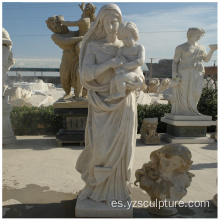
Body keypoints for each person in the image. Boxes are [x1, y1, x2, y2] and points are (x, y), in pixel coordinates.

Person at [76, 4, 144, 205]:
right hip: (100, 103)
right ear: (101, 23)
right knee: (99, 147)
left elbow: (139, 70)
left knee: (122, 150)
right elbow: (86, 74)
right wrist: (109, 64)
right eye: (108, 21)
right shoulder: (94, 46)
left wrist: (140, 81)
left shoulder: (127, 45)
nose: (112, 26)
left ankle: (118, 190)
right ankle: (93, 186)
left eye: (116, 21)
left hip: (124, 102)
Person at [171, 28, 217, 115]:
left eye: (200, 36)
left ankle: (193, 109)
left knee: (197, 92)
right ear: (191, 34)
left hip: (198, 71)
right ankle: (184, 111)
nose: (199, 37)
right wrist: (174, 72)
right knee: (184, 91)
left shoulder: (201, 47)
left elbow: (206, 60)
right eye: (197, 35)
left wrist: (212, 50)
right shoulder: (181, 47)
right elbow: (175, 61)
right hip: (184, 71)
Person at [105, 22, 145, 102]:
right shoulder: (121, 49)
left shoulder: (139, 47)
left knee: (120, 78)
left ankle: (121, 93)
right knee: (113, 81)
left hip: (135, 73)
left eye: (128, 37)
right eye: (123, 38)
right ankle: (113, 98)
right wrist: (119, 68)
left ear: (135, 35)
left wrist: (126, 66)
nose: (125, 40)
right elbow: (117, 60)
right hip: (123, 71)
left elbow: (141, 61)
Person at [45, 15, 83, 99]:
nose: (56, 26)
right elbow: (66, 41)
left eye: (58, 23)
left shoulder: (75, 33)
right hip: (67, 58)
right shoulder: (55, 36)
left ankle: (79, 94)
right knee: (65, 76)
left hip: (78, 57)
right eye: (53, 25)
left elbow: (85, 28)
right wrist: (81, 38)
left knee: (80, 74)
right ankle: (67, 93)